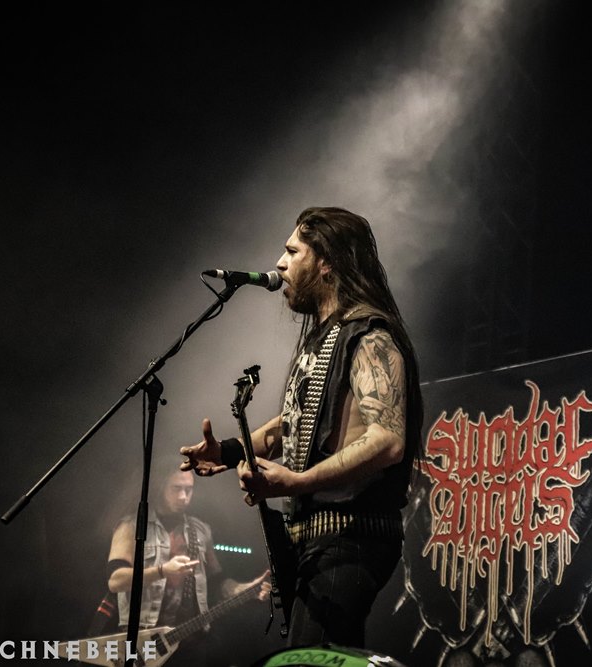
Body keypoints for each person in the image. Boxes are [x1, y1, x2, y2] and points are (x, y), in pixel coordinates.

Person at [180, 206, 423, 649]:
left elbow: (387, 440)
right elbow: (295, 420)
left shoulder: (369, 335)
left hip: (351, 535)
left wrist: (298, 481)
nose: (279, 263)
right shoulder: (322, 337)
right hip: (313, 539)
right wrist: (228, 452)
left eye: (293, 252)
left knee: (310, 658)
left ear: (327, 262)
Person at [106, 459, 269, 665]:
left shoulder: (200, 530)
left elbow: (217, 582)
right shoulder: (131, 527)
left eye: (188, 490)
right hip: (145, 645)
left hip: (192, 643)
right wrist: (162, 571)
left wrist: (245, 589)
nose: (184, 496)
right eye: (176, 489)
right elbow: (115, 581)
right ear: (160, 488)